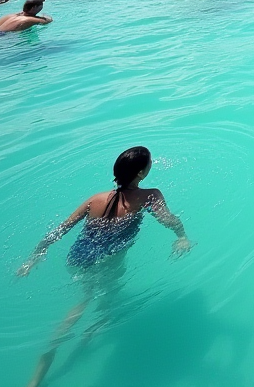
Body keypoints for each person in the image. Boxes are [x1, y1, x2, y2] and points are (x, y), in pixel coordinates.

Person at [16, 146, 192, 387]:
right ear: (141, 173)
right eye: (150, 163)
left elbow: (60, 230)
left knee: (88, 298)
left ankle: (51, 358)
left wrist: (34, 256)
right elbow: (168, 220)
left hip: (78, 258)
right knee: (94, 302)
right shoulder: (149, 196)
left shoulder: (95, 199)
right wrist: (182, 236)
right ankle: (77, 341)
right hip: (108, 261)